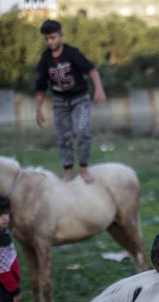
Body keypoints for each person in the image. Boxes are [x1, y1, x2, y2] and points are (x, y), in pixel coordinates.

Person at [35, 19, 107, 184]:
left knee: (82, 132)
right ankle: (68, 171)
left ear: (61, 35)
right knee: (63, 137)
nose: (50, 41)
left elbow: (91, 69)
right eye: (46, 39)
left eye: (53, 37)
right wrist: (38, 110)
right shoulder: (45, 59)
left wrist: (99, 89)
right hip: (60, 103)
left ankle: (83, 168)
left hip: (80, 101)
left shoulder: (71, 53)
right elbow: (40, 85)